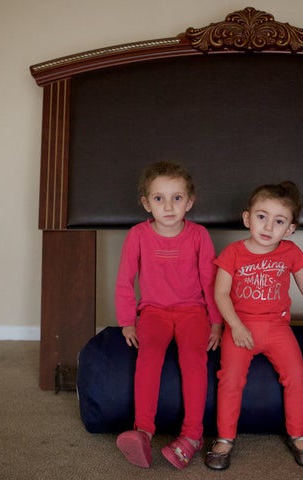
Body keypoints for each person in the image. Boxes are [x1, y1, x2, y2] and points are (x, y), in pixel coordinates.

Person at [205, 181, 303, 471]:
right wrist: (236, 327)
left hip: (277, 328)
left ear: (290, 229)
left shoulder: (289, 252)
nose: (268, 227)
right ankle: (225, 439)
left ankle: (299, 435)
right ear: (247, 218)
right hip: (241, 327)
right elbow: (220, 293)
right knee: (230, 379)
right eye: (261, 216)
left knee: (298, 376)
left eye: (279, 221)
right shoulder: (233, 252)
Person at [114, 161, 223, 470]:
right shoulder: (137, 235)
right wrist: (126, 321)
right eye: (159, 198)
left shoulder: (199, 235)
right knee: (148, 357)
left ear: (189, 202)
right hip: (153, 312)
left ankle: (192, 436)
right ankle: (143, 432)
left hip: (192, 312)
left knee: (193, 359)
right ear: (147, 203)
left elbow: (210, 281)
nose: (168, 206)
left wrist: (216, 322)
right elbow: (125, 280)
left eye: (177, 198)